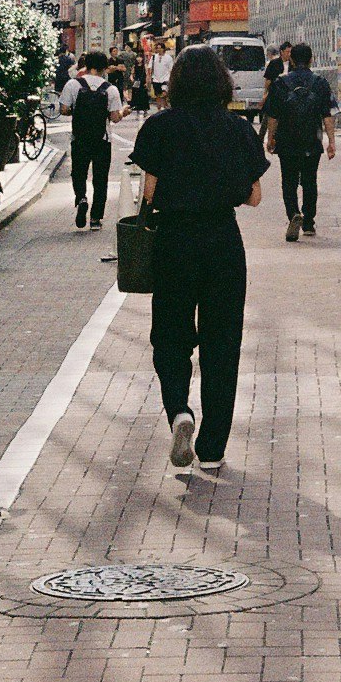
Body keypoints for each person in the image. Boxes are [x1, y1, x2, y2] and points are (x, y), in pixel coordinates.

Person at [131, 46, 268, 472]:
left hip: (174, 241)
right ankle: (212, 447)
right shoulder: (238, 129)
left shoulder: (159, 128)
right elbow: (256, 197)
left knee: (169, 336)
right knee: (222, 343)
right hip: (223, 243)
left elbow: (148, 192)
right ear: (222, 83)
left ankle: (179, 411)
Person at [263, 42, 335, 242]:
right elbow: (327, 115)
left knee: (289, 180)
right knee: (310, 180)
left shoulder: (280, 83)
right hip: (313, 140)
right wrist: (331, 142)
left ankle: (293, 213)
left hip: (287, 140)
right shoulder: (320, 82)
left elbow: (273, 116)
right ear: (311, 59)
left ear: (291, 60)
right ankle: (309, 222)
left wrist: (271, 138)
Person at [60, 50, 125, 230]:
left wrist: (78, 111)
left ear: (86, 65)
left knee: (79, 173)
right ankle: (96, 218)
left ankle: (81, 198)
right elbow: (114, 117)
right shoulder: (110, 89)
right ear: (105, 67)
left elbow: (64, 110)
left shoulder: (73, 84)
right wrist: (122, 113)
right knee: (100, 178)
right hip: (102, 140)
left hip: (79, 138)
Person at [261, 41, 291, 112]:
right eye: (287, 52)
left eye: (291, 52)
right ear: (282, 52)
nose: (289, 54)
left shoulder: (293, 64)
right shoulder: (274, 63)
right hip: (275, 95)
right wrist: (265, 93)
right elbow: (268, 80)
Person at [150, 39, 175, 106]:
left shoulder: (168, 57)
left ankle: (164, 107)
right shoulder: (153, 57)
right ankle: (159, 108)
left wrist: (171, 78)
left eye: (160, 48)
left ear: (163, 49)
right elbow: (150, 68)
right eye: (157, 48)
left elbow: (171, 68)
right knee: (157, 95)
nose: (158, 50)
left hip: (165, 79)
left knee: (164, 94)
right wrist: (149, 77)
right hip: (156, 79)